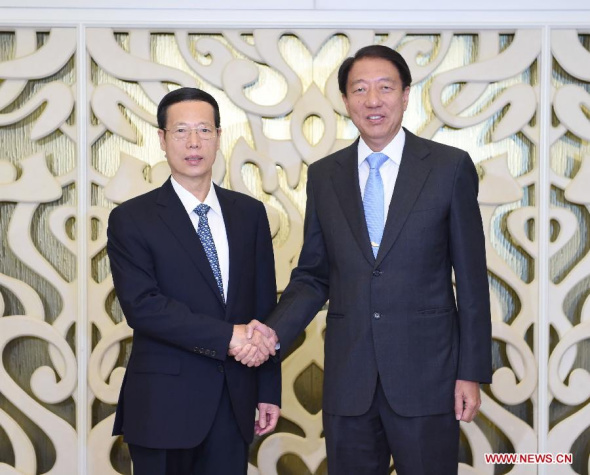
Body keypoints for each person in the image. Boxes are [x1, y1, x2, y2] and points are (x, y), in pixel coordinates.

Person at [232, 45, 492, 474]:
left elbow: (471, 278)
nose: (373, 101)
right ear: (346, 100)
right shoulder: (324, 174)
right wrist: (270, 335)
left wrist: (471, 372)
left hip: (428, 378)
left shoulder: (448, 168)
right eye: (360, 90)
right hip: (349, 381)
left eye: (385, 88)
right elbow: (314, 276)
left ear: (406, 95)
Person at [107, 87, 280, 475]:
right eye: (181, 131)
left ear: (219, 136)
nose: (193, 142)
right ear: (162, 140)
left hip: (234, 399)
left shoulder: (249, 214)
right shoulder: (133, 219)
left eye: (204, 130)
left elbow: (264, 308)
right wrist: (228, 337)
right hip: (162, 405)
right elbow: (143, 307)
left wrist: (268, 389)